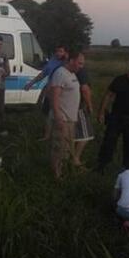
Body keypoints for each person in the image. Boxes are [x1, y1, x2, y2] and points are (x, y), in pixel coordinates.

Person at [49, 51, 85, 179]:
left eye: (82, 64)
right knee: (59, 148)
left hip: (71, 119)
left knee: (67, 149)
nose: (81, 66)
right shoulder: (60, 73)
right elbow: (54, 96)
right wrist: (58, 116)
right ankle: (56, 176)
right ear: (71, 60)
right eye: (79, 63)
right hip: (62, 119)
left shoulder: (72, 74)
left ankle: (63, 172)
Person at [24, 44, 68, 142]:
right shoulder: (52, 61)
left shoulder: (66, 63)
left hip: (62, 93)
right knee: (47, 113)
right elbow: (43, 74)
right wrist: (31, 83)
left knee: (60, 114)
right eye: (57, 51)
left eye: (61, 51)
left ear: (65, 52)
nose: (58, 53)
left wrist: (66, 59)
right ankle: (47, 135)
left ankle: (62, 136)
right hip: (50, 92)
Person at [72, 65, 95, 168]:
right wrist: (89, 106)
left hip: (69, 107)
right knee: (85, 135)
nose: (82, 64)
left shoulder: (64, 70)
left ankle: (68, 158)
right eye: (80, 62)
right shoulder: (81, 72)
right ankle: (75, 159)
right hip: (80, 107)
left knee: (72, 134)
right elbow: (84, 89)